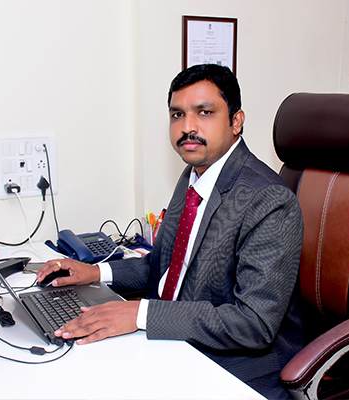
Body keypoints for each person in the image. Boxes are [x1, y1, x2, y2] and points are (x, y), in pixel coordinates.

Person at [37, 64, 304, 399]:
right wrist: (95, 271)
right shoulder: (195, 175)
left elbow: (253, 323)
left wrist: (140, 314)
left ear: (236, 121)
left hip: (240, 366)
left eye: (204, 112)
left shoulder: (268, 200)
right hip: (178, 340)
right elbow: (165, 267)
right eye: (177, 115)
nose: (187, 127)